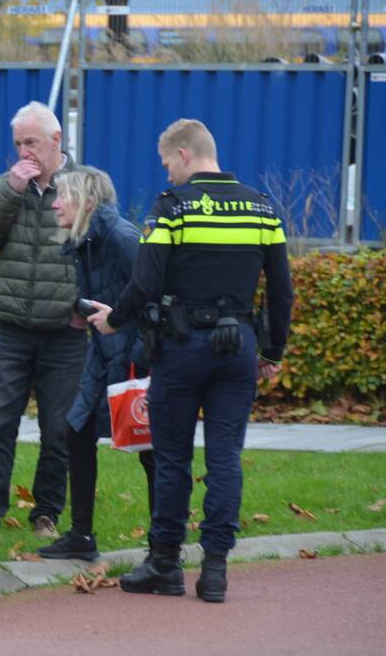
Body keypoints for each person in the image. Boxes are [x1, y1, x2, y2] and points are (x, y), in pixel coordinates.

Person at [87, 119, 293, 602]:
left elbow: (145, 282)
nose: (167, 174)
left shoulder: (172, 207)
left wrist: (114, 320)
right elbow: (282, 291)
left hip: (181, 348)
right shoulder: (262, 208)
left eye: (167, 163)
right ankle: (215, 569)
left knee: (173, 459)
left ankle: (165, 564)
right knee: (225, 458)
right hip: (238, 348)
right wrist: (271, 352)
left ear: (183, 154)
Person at [0, 101, 87, 538]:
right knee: (0, 425)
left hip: (65, 332)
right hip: (15, 328)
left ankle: (46, 514)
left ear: (56, 140)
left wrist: (83, 311)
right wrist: (11, 192)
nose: (24, 152)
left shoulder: (82, 186)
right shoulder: (7, 184)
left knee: (58, 431)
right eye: (18, 144)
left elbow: (105, 253)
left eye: (31, 142)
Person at [35, 166, 156, 561]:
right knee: (77, 430)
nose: (55, 204)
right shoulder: (85, 241)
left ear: (88, 202)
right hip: (103, 354)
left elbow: (153, 297)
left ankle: (163, 544)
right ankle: (81, 536)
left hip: (135, 359)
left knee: (150, 448)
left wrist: (139, 359)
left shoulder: (122, 238)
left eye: (63, 196)